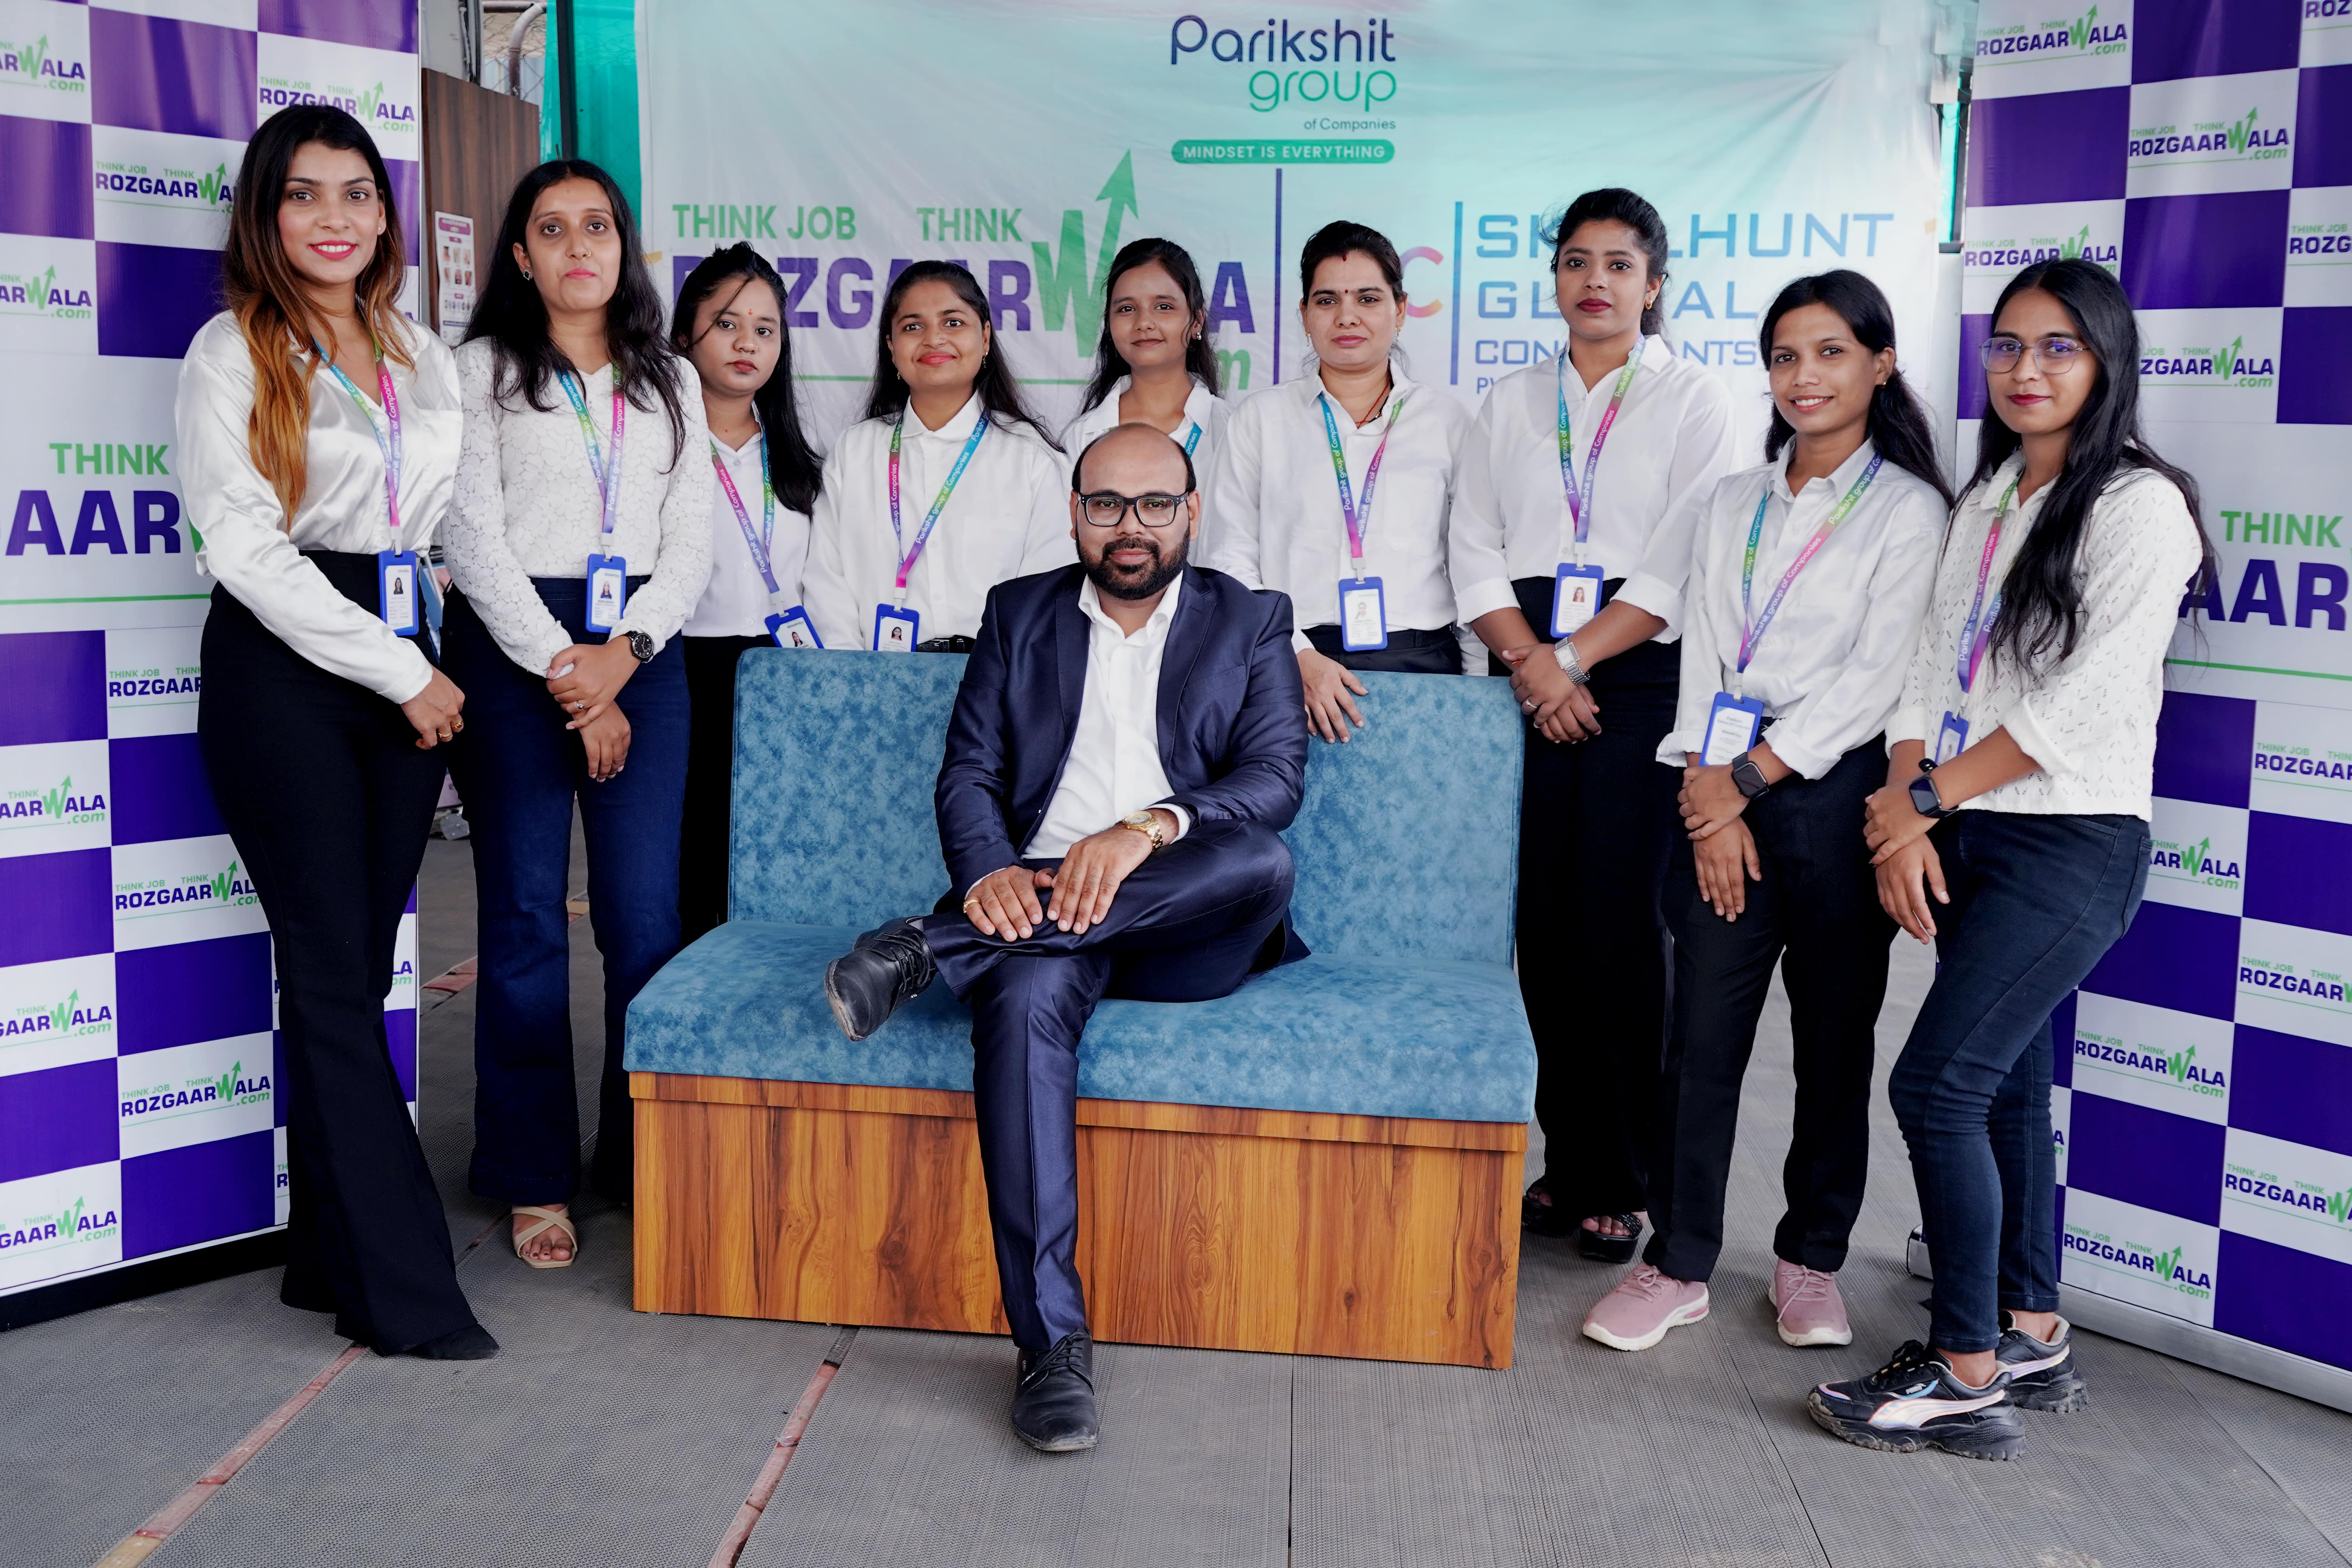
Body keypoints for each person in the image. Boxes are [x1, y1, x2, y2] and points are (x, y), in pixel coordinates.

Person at [819, 423, 1308, 1453]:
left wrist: (1144, 831)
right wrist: (990, 876)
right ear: (1075, 512)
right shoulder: (1020, 613)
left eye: (1155, 504)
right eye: (1106, 504)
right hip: (1039, 915)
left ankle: (935, 949)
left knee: (1264, 859)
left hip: (1183, 914)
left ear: (1192, 511)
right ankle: (1050, 1349)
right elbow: (970, 773)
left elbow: (1272, 780)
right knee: (1028, 999)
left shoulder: (1251, 617)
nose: (1131, 527)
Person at [1808, 258, 2208, 1459]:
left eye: (2057, 347)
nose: (2025, 369)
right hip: (1969, 827)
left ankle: (1964, 1370)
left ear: (2106, 362)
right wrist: (1905, 809)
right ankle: (2028, 1329)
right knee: (2007, 1090)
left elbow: (2079, 705)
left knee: (1935, 1086)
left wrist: (1923, 799)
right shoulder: (1988, 497)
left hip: (2071, 840)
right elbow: (1929, 669)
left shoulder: (2139, 507)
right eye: (2008, 345)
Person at [1578, 272, 1950, 1355]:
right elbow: (1703, 648)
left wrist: (1745, 780)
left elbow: (1875, 676)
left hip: (1835, 796)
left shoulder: (1909, 510)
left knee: (1833, 1042)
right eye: (1786, 356)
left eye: (1830, 353)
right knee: (1699, 1037)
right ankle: (1679, 1259)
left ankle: (1810, 1258)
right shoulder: (1732, 501)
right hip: (1720, 787)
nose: (1804, 376)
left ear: (1880, 364)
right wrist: (1712, 792)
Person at [176, 105, 492, 1358]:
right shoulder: (230, 350)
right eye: (304, 194)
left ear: (383, 212)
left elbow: (450, 523)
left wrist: (512, 659)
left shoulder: (420, 349)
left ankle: (325, 1255)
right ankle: (404, 1288)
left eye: (356, 192)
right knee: (325, 971)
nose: (334, 217)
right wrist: (403, 671)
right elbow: (245, 548)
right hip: (286, 671)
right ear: (267, 214)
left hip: (406, 649)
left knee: (353, 976)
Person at [1450, 188, 1739, 1261]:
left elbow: (1679, 559)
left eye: (1619, 264)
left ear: (1654, 284)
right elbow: (1472, 547)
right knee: (1544, 930)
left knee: (1618, 931)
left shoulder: (1695, 398)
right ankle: (1568, 1164)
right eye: (1576, 261)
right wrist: (1532, 663)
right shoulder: (1510, 398)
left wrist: (1568, 661)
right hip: (1524, 672)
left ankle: (1624, 1178)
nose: (1595, 282)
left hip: (1637, 677)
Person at [443, 159, 713, 1267]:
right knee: (521, 918)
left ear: (622, 245)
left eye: (596, 225)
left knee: (644, 922)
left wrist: (624, 656)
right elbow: (470, 537)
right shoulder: (478, 372)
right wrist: (570, 672)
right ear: (521, 256)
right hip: (517, 650)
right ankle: (532, 1171)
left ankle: (642, 1153)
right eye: (551, 230)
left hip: (641, 649)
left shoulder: (670, 377)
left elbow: (690, 540)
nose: (577, 246)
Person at [1205, 220, 1473, 738]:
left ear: (1400, 309)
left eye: (1368, 299)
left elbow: (1473, 558)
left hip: (1422, 664)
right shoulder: (1261, 419)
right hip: (1291, 663)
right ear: (1305, 315)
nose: (1347, 316)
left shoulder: (1447, 421)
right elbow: (1227, 559)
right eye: (1327, 300)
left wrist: (1479, 685)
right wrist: (1294, 655)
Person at [671, 244, 824, 944]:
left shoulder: (800, 454)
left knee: (769, 859)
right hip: (679, 669)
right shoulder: (658, 444)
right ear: (685, 335)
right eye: (727, 324)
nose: (746, 344)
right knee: (688, 861)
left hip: (780, 672)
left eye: (765, 330)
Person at [800, 261, 1070, 651]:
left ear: (986, 338)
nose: (934, 339)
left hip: (995, 678)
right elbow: (827, 582)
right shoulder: (854, 451)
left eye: (953, 323)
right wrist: (858, 676)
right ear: (892, 347)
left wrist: (1000, 675)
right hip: (875, 676)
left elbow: (1047, 591)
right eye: (913, 327)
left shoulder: (1033, 457)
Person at [1062, 238, 1229, 526]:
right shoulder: (1082, 437)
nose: (1144, 323)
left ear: (1197, 321)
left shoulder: (1231, 430)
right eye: (1127, 309)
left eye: (1163, 306)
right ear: (1109, 324)